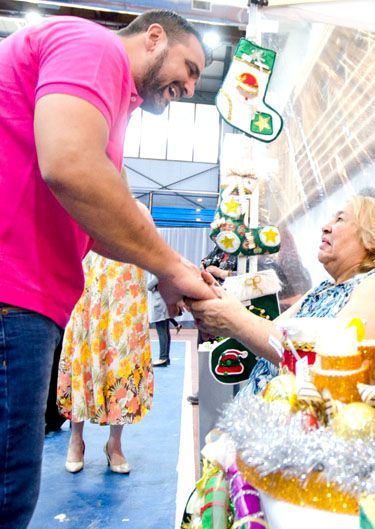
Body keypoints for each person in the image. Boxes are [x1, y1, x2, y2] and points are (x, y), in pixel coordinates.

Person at [0, 10, 216, 527]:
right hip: (13, 292)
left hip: (30, 298)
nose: (188, 87)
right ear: (154, 37)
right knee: (9, 488)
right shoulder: (93, 46)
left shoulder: (112, 107)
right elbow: (70, 165)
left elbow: (102, 224)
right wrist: (173, 268)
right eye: (188, 69)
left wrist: (171, 270)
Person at [189, 196, 375, 392]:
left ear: (372, 238)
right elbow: (271, 335)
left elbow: (333, 359)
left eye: (339, 219)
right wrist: (216, 299)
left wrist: (234, 319)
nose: (325, 226)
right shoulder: (324, 288)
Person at [58, 205, 155, 475]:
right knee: (83, 351)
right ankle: (76, 438)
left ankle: (115, 443)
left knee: (121, 359)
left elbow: (151, 244)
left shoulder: (136, 209)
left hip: (125, 289)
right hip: (88, 280)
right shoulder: (81, 202)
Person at [148, 276, 181, 367]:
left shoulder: (158, 273)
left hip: (160, 303)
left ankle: (163, 358)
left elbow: (149, 286)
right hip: (164, 302)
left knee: (162, 332)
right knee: (166, 331)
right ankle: (166, 358)